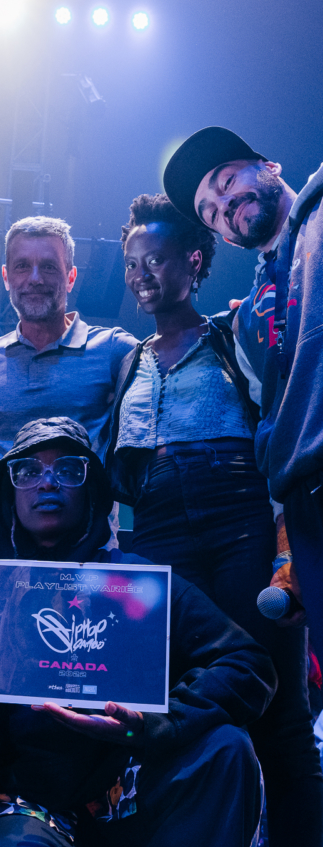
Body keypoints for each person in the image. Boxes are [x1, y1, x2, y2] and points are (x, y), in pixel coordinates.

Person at [0, 417, 277, 847]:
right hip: (29, 809)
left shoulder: (139, 584)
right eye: (27, 471)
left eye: (69, 469)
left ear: (93, 490)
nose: (48, 481)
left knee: (225, 748)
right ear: (8, 494)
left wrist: (157, 722)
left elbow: (248, 664)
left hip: (131, 794)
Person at [164, 127, 323, 847]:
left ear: (268, 165)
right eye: (210, 209)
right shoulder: (258, 305)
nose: (224, 205)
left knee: (287, 738)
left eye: (227, 180)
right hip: (304, 499)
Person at [105, 192, 274, 631]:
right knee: (173, 653)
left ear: (193, 261)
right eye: (131, 264)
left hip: (239, 511)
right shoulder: (129, 360)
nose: (140, 275)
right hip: (156, 521)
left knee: (258, 643)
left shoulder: (232, 332)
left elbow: (278, 415)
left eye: (155, 260)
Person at [0, 216, 138, 554]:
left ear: (71, 277)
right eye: (22, 266)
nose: (35, 278)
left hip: (89, 551)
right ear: (6, 277)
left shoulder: (113, 349)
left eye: (49, 267)